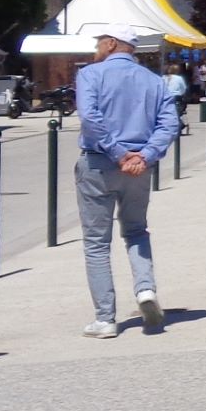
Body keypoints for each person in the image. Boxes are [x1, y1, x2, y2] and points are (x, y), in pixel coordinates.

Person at [73, 23, 181, 337]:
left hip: (98, 164)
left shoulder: (90, 75)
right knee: (136, 231)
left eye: (98, 44)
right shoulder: (155, 81)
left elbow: (90, 119)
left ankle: (106, 319)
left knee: (97, 244)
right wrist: (144, 156)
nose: (96, 49)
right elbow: (168, 123)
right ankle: (145, 289)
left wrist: (118, 153)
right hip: (138, 169)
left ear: (110, 44)